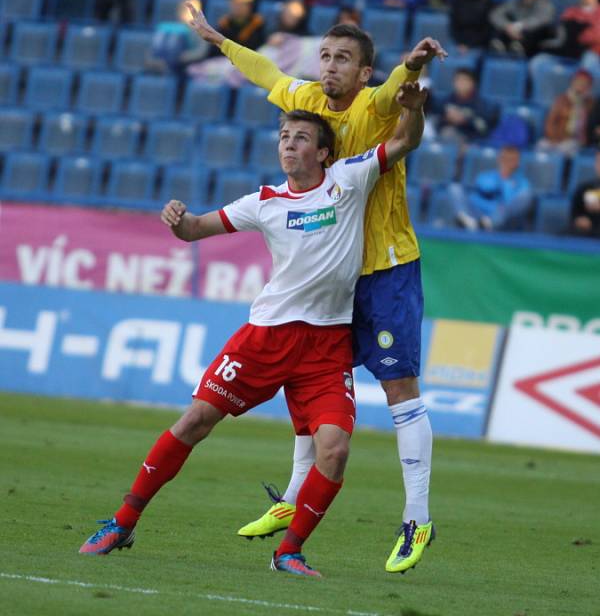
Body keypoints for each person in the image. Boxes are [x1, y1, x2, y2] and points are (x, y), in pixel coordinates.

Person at [79, 90, 428, 577]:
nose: (288, 145)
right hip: (265, 337)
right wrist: (178, 222)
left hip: (326, 347)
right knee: (194, 421)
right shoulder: (263, 203)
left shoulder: (350, 179)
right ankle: (122, 521)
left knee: (335, 448)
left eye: (301, 138)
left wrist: (413, 102)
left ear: (325, 153)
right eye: (284, 137)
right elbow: (198, 228)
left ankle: (288, 552)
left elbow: (406, 139)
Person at [186, 3, 448, 574]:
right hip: (339, 275)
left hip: (386, 266)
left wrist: (411, 70)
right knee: (320, 388)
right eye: (326, 56)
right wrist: (216, 38)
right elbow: (266, 74)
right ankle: (292, 497)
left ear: (364, 72)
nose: (330, 67)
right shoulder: (305, 100)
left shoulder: (377, 103)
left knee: (400, 386)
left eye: (344, 60)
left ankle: (417, 517)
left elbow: (404, 116)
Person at [448, 145, 533, 231]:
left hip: (499, 216)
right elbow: (483, 190)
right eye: (504, 158)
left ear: (517, 163)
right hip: (476, 211)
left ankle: (488, 224)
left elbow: (512, 204)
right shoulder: (487, 176)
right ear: (499, 159)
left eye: (511, 160)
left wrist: (505, 182)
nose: (507, 162)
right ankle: (468, 221)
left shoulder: (521, 182)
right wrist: (501, 178)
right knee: (454, 188)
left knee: (523, 198)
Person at [489, 0, 555, 57]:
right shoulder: (514, 1)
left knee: (539, 30)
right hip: (511, 33)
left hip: (531, 37)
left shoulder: (545, 3)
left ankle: (518, 49)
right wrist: (507, 26)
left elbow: (541, 19)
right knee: (497, 28)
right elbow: (495, 14)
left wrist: (518, 26)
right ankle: (497, 48)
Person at [432, 67, 498, 145]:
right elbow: (435, 123)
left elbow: (484, 128)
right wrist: (447, 119)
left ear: (473, 83)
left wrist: (465, 120)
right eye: (458, 80)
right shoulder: (446, 101)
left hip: (472, 141)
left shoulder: (481, 104)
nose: (461, 83)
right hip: (446, 139)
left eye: (464, 80)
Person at [538, 69, 595, 157]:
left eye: (585, 83)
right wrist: (555, 138)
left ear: (589, 86)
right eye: (579, 81)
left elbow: (590, 126)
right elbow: (550, 122)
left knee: (566, 149)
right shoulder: (561, 100)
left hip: (576, 141)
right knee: (542, 146)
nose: (582, 85)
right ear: (573, 82)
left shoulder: (590, 104)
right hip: (557, 138)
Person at [570, 150, 600, 238]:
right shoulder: (584, 188)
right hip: (586, 232)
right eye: (598, 162)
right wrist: (579, 220)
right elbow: (575, 213)